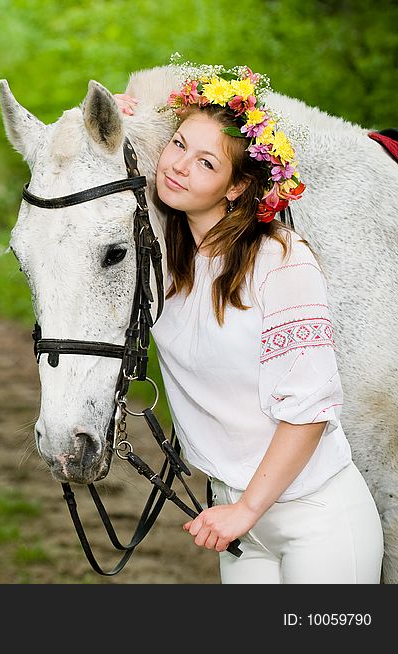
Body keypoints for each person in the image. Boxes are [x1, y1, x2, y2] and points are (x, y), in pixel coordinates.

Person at [115, 68, 384, 583]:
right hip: (240, 525)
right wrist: (120, 127)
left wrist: (246, 510)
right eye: (177, 144)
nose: (178, 167)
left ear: (237, 186)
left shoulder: (281, 261)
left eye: (206, 162)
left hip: (317, 520)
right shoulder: (168, 264)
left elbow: (308, 410)